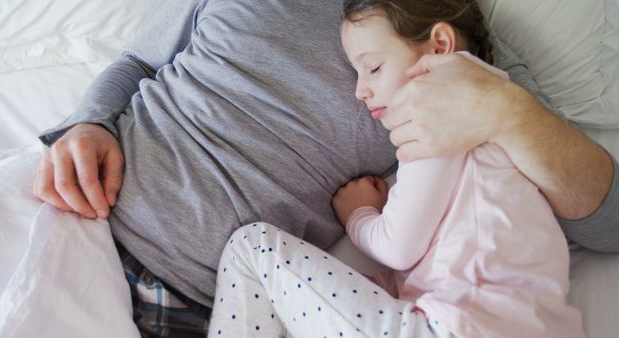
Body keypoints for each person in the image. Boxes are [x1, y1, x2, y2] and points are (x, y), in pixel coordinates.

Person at [32, 0, 618, 336]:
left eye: (370, 71)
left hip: (205, 305)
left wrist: (509, 113)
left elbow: (605, 228)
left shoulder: (454, 54)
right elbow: (136, 60)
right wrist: (89, 123)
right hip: (68, 208)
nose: (365, 91)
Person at [206, 1, 585, 337]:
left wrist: (358, 215)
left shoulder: (440, 108)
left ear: (439, 46)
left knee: (251, 247)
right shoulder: (504, 126)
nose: (360, 90)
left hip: (457, 327)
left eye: (373, 67)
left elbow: (398, 248)